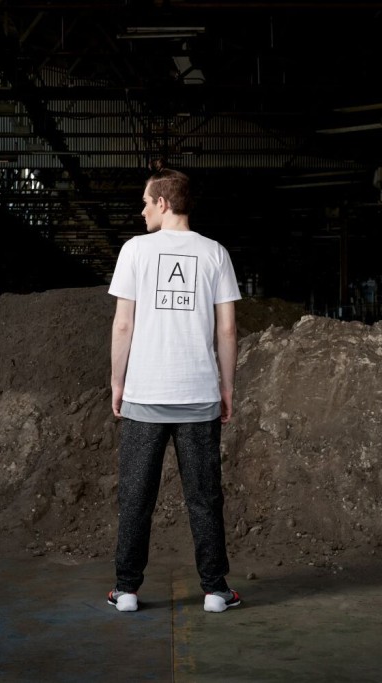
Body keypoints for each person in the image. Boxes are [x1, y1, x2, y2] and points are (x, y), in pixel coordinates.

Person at [106, 168, 242, 614]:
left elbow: (123, 323)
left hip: (145, 395)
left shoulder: (134, 252)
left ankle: (126, 590)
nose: (142, 209)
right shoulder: (216, 253)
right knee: (204, 497)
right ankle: (216, 591)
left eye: (147, 201)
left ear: (164, 203)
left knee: (136, 497)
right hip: (199, 394)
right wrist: (227, 386)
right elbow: (227, 329)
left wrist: (118, 382)